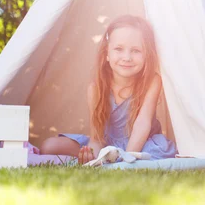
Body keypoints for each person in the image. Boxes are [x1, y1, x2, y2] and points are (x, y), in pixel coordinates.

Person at [39, 15, 177, 164]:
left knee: (158, 154)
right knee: (49, 146)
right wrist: (92, 156)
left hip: (141, 143)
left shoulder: (152, 81)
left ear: (147, 55)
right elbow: (97, 137)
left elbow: (142, 124)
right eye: (119, 49)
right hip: (108, 144)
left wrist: (127, 157)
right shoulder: (95, 88)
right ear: (107, 54)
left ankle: (119, 158)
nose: (127, 57)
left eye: (136, 50)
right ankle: (109, 157)